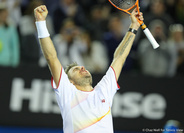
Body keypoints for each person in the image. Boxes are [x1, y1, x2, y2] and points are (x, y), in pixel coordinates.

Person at [34, 5, 143, 133]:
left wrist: (134, 26)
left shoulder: (104, 90)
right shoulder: (68, 93)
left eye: (81, 66)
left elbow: (119, 58)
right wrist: (40, 23)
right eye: (75, 70)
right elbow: (51, 58)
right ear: (70, 82)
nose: (82, 68)